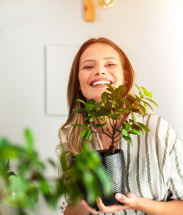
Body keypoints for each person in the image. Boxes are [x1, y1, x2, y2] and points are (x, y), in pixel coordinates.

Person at [58, 37, 183, 215]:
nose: (100, 71)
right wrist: (82, 194)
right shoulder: (72, 140)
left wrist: (138, 204)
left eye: (109, 64)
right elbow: (67, 212)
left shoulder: (157, 132)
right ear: (78, 83)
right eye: (88, 66)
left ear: (125, 78)